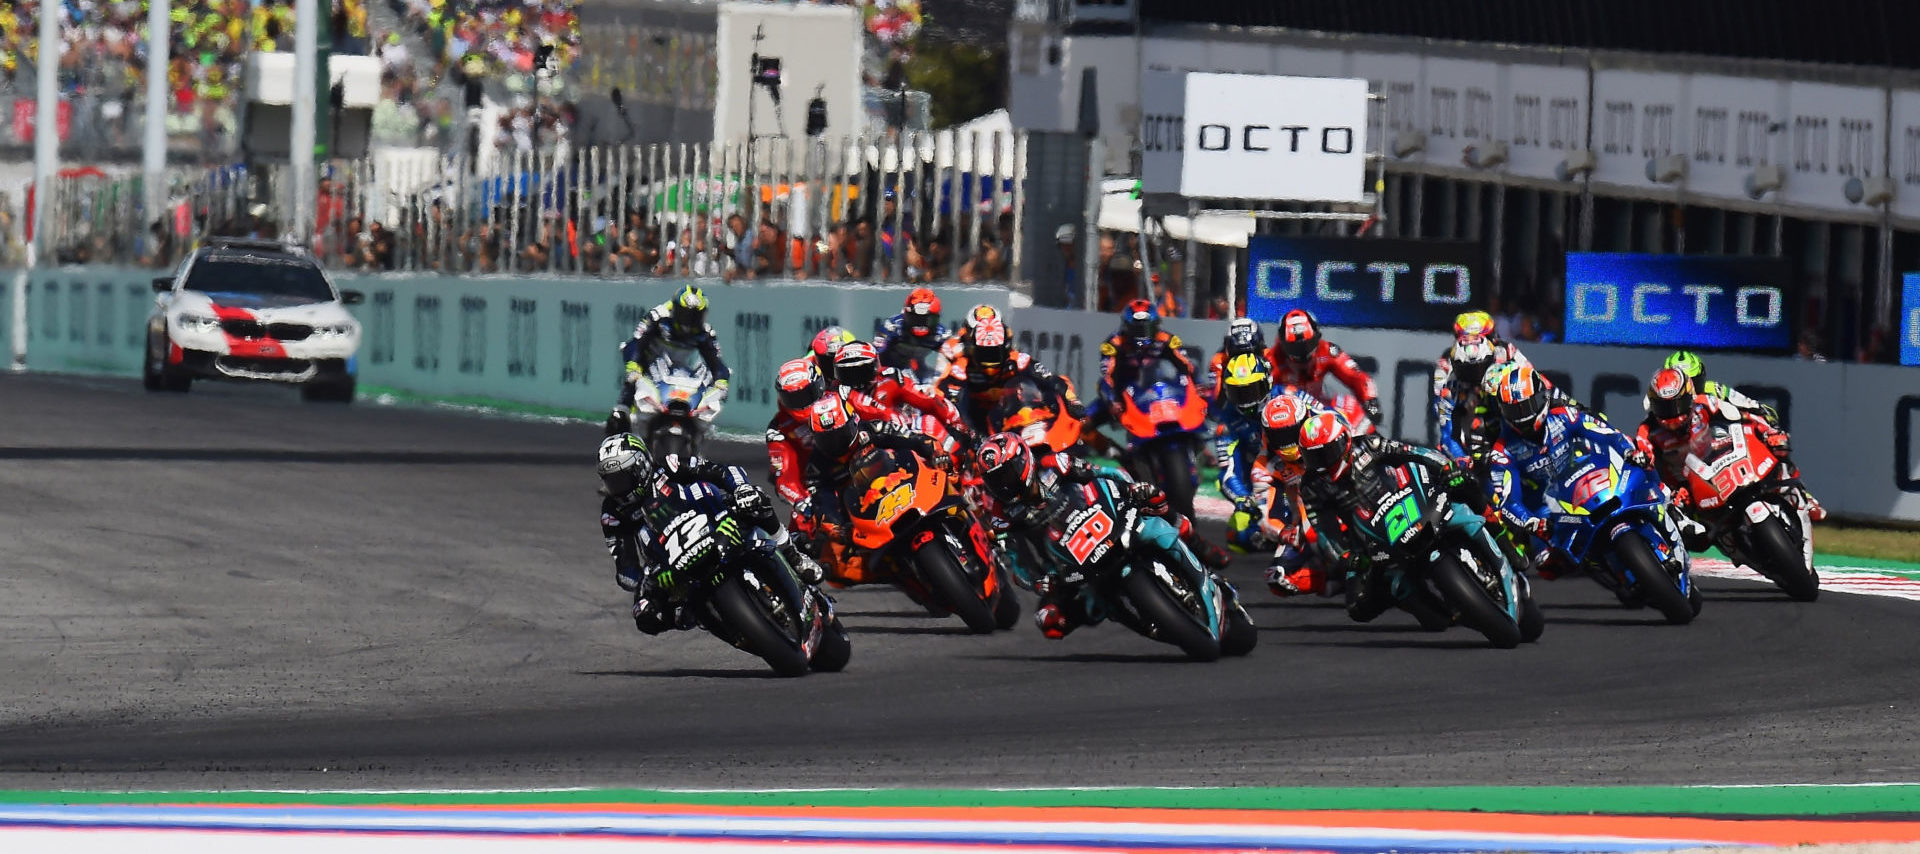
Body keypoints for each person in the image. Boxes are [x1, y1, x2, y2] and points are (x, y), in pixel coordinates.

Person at [973, 433, 1228, 639]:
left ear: (1023, 461)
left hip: (1104, 518)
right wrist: (1038, 583)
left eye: (1006, 474)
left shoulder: (1053, 464)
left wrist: (1131, 488)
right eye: (995, 481)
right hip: (1066, 564)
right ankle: (1128, 613)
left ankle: (1195, 542)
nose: (1004, 485)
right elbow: (1016, 561)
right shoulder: (1001, 514)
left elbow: (1101, 473)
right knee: (1050, 622)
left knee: (1155, 500)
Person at [597, 433, 823, 635]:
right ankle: (709, 617)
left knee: (755, 501)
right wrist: (645, 586)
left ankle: (792, 555)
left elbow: (723, 471)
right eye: (611, 481)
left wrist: (740, 488)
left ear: (641, 468)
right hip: (672, 561)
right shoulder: (612, 511)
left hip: (717, 519)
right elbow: (626, 568)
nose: (617, 487)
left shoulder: (668, 467)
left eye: (621, 478)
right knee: (647, 617)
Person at [1285, 412, 1479, 624]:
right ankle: (1402, 593)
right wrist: (1345, 556)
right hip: (1368, 537)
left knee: (1466, 486)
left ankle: (1500, 532)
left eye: (1327, 453)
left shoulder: (1369, 444)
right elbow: (1323, 528)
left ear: (1344, 441)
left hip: (1409, 500)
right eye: (1314, 457)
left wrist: (1445, 466)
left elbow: (1413, 452)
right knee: (1357, 607)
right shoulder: (1311, 486)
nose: (1322, 463)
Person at [1482, 364, 1652, 568]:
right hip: (1549, 506)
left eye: (1527, 406)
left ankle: (1670, 511)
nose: (1522, 416)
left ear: (1542, 398)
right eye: (1513, 410)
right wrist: (1530, 521)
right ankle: (1600, 570)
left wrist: (1628, 450)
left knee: (1644, 469)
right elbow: (1507, 501)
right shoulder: (1502, 451)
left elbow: (1607, 433)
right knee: (1546, 564)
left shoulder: (1565, 416)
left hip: (1590, 474)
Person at [796, 393, 953, 585]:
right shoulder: (817, 466)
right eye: (826, 439)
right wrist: (836, 526)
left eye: (840, 435)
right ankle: (899, 574)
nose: (835, 444)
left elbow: (914, 439)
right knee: (833, 568)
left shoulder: (872, 429)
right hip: (861, 510)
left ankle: (978, 522)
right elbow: (823, 502)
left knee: (952, 474)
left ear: (853, 423)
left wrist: (936, 452)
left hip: (901, 482)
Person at [1636, 368, 1823, 523]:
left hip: (1720, 461)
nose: (1673, 415)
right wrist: (1671, 492)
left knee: (1776, 453)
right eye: (1665, 408)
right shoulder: (1647, 431)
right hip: (1687, 487)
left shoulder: (1704, 402)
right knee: (1683, 525)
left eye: (1678, 405)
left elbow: (1742, 415)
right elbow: (1648, 464)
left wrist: (1768, 431)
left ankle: (1801, 497)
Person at [939, 309, 1085, 434]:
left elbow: (1051, 380)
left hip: (1011, 420)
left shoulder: (1018, 360)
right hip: (974, 422)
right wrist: (961, 429)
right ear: (973, 350)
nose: (989, 361)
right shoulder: (961, 368)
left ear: (1005, 349)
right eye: (984, 353)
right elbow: (946, 401)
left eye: (994, 353)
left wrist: (1072, 401)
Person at [611, 286, 730, 434]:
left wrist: (722, 382)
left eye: (695, 316)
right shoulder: (658, 316)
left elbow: (716, 362)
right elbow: (636, 343)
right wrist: (633, 366)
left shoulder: (705, 331)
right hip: (650, 360)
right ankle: (624, 412)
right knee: (620, 415)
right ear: (675, 310)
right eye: (686, 315)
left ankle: (696, 435)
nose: (690, 322)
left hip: (680, 368)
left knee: (708, 383)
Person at [1432, 310, 1536, 466]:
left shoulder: (1507, 351)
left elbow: (1532, 382)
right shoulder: (1446, 366)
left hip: (1503, 415)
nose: (1475, 375)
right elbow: (1443, 419)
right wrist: (1463, 462)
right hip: (1467, 416)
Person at [834, 342, 979, 450]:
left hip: (900, 440)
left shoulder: (890, 378)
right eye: (849, 374)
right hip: (861, 448)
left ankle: (956, 462)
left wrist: (956, 424)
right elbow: (882, 414)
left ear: (874, 367)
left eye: (861, 372)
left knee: (929, 422)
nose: (857, 381)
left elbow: (927, 399)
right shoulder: (835, 395)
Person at [1212, 353, 1289, 552]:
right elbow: (1227, 472)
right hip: (1262, 481)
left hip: (1301, 469)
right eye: (1239, 393)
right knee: (1239, 536)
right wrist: (1243, 498)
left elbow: (1324, 417)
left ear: (1267, 383)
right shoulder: (1226, 423)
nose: (1246, 400)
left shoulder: (1289, 396)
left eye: (1252, 390)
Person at [1094, 298, 1201, 424]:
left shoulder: (1167, 339)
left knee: (1200, 403)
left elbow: (1186, 366)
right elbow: (1108, 377)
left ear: (1155, 325)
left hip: (1159, 390)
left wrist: (1197, 386)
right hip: (1125, 391)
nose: (1142, 335)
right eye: (1136, 329)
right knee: (1087, 420)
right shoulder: (1113, 344)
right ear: (1126, 327)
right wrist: (1113, 400)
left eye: (1147, 328)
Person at [1268, 309, 1381, 425]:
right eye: (1294, 348)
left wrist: (1370, 401)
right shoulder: (1271, 359)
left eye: (1308, 345)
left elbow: (1356, 376)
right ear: (1282, 344)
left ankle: (1370, 441)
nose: (1302, 354)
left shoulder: (1327, 350)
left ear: (1317, 337)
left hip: (1318, 408)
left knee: (1350, 405)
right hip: (1285, 416)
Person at [1658, 350, 1780, 427]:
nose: (1688, 390)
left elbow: (1760, 409)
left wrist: (1764, 418)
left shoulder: (1713, 389)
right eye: (1681, 384)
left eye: (1693, 381)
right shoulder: (1658, 402)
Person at [766, 356, 826, 509]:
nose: (801, 403)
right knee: (799, 527)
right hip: (815, 487)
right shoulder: (778, 429)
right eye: (793, 399)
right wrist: (801, 501)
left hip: (854, 476)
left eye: (806, 395)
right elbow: (784, 480)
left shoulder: (841, 399)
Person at [1206, 317, 1267, 405]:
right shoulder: (1218, 360)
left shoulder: (1268, 355)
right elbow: (1217, 398)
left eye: (1249, 352)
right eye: (1237, 353)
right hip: (1232, 404)